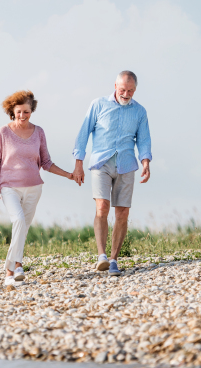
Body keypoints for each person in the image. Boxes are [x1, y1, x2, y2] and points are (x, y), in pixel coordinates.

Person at [0, 90, 74, 287]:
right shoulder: (3, 132)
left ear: (31, 110)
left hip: (34, 186)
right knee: (18, 220)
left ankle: (17, 266)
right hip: (9, 186)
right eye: (19, 112)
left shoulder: (39, 132)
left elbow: (46, 162)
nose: (22, 116)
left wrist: (68, 175)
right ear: (12, 111)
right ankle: (10, 270)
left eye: (26, 112)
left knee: (23, 227)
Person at [72, 71, 152, 276]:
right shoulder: (98, 104)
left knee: (122, 213)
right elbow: (83, 133)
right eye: (123, 89)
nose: (126, 94)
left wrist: (145, 162)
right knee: (102, 206)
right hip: (101, 162)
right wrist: (78, 163)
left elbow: (143, 140)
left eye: (130, 90)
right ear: (115, 86)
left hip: (126, 164)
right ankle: (102, 256)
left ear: (135, 89)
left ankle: (114, 259)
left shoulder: (140, 111)